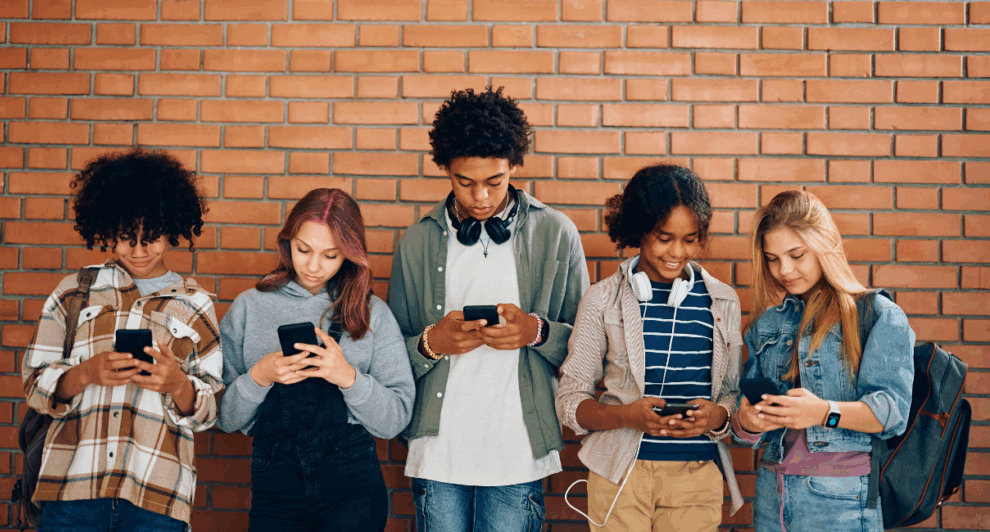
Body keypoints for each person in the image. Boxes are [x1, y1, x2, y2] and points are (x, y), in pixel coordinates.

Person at [387, 86, 589, 532]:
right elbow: (387, 355)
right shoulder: (417, 240)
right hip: (438, 450)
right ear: (445, 169)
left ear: (514, 166)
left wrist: (535, 332)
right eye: (464, 181)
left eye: (494, 181)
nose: (480, 196)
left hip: (517, 448)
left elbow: (590, 348)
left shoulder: (557, 234)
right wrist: (430, 343)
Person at [21, 149, 222, 532]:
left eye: (152, 237)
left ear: (172, 229)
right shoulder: (73, 293)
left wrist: (177, 383)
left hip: (157, 496)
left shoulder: (195, 304)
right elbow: (34, 383)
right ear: (108, 229)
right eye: (127, 237)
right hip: (72, 492)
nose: (140, 249)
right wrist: (83, 374)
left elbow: (211, 409)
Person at [556, 165, 744, 532]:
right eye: (664, 237)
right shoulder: (602, 300)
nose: (678, 252)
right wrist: (627, 416)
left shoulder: (723, 302)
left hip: (696, 478)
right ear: (639, 230)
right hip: (620, 476)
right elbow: (569, 402)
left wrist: (718, 416)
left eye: (690, 239)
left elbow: (732, 394)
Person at [217, 188, 413, 532]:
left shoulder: (372, 314)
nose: (312, 266)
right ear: (287, 242)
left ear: (350, 255)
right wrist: (259, 376)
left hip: (352, 489)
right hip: (274, 491)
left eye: (330, 255)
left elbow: (395, 420)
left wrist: (348, 377)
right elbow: (225, 418)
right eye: (303, 250)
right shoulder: (249, 307)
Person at [733, 190, 915, 532]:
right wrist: (747, 422)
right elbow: (745, 434)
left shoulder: (877, 314)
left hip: (841, 501)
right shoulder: (765, 326)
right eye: (772, 258)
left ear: (824, 243)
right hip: (773, 496)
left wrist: (822, 412)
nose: (784, 270)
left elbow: (890, 414)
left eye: (796, 254)